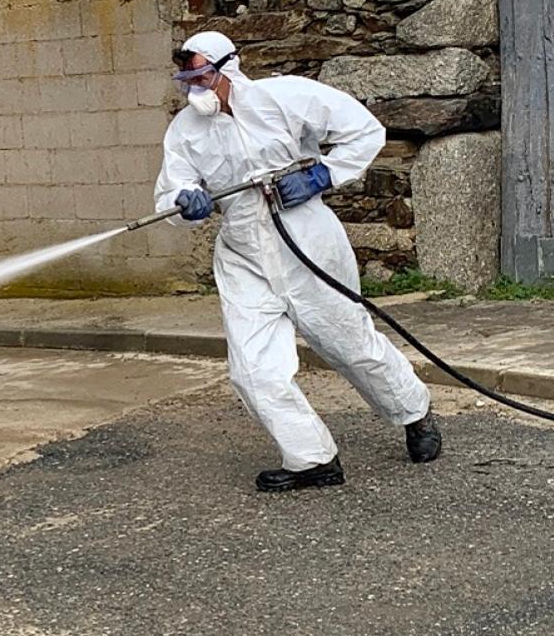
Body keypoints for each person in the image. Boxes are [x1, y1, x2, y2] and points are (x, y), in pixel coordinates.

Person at [155, 31, 442, 492]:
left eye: (203, 78)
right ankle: (312, 459)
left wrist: (324, 174)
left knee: (349, 343)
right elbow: (171, 188)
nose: (196, 90)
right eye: (187, 81)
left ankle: (414, 413)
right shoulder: (186, 131)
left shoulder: (285, 97)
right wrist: (184, 201)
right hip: (243, 252)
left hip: (307, 238)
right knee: (252, 369)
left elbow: (364, 130)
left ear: (228, 69)